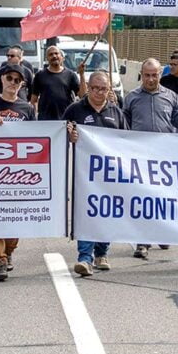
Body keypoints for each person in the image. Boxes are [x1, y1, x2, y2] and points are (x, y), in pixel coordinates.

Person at [123, 58, 178, 258]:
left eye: (154, 75)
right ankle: (142, 241)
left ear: (160, 74)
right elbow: (123, 125)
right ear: (142, 74)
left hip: (163, 156)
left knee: (162, 197)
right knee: (142, 198)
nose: (150, 79)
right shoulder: (131, 97)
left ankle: (161, 233)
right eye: (147, 75)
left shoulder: (170, 96)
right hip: (139, 155)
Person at [0, 64, 38, 281]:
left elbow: (36, 139)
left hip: (18, 173)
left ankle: (9, 250)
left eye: (17, 80)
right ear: (1, 79)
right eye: (9, 78)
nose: (13, 83)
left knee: (16, 217)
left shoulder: (27, 109)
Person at [64, 71, 128, 277]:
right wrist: (70, 136)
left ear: (109, 89)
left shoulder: (116, 112)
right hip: (84, 174)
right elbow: (59, 134)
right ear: (88, 88)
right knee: (87, 213)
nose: (99, 92)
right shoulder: (75, 110)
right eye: (95, 88)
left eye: (104, 89)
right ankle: (84, 257)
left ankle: (102, 253)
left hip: (109, 174)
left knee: (106, 212)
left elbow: (126, 140)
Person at [31, 45, 84, 120]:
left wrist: (82, 75)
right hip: (45, 120)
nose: (54, 56)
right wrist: (34, 116)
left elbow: (82, 95)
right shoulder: (39, 75)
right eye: (51, 54)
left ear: (62, 57)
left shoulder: (70, 75)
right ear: (47, 59)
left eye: (56, 53)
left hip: (66, 119)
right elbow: (34, 100)